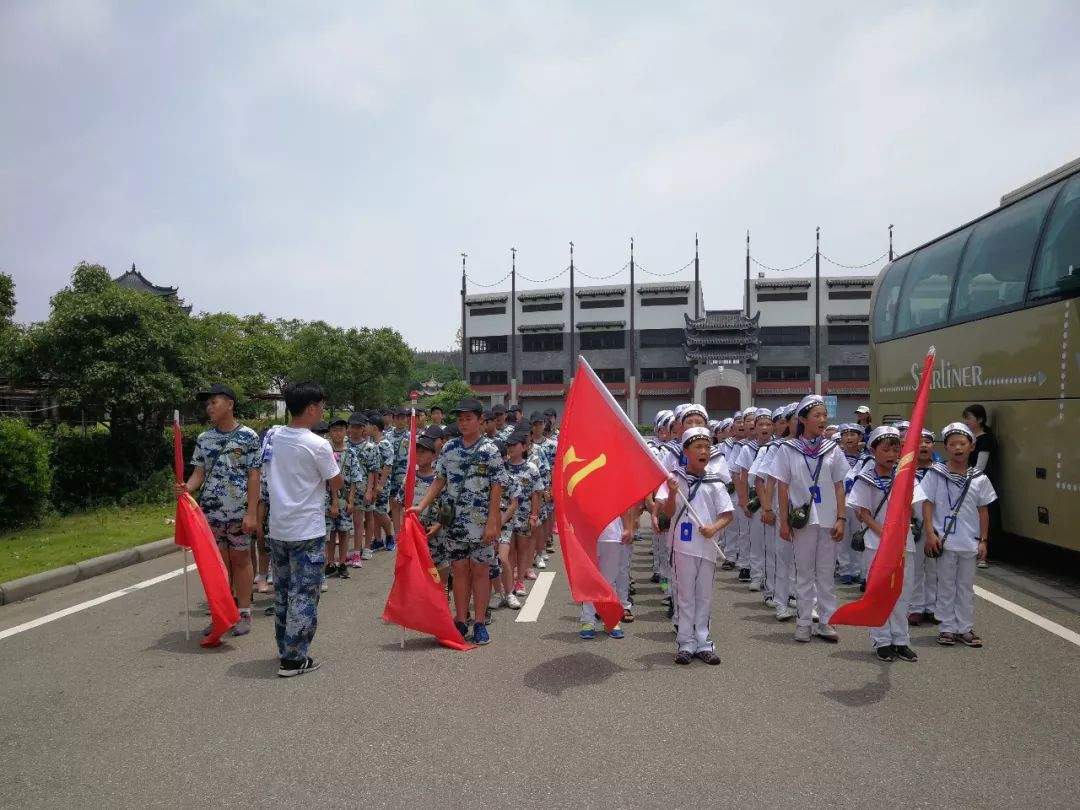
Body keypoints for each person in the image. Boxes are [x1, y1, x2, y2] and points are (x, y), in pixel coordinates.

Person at [251, 381, 342, 677]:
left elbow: (260, 470)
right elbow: (335, 480)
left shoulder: (273, 436)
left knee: (284, 592)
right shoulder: (318, 444)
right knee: (304, 593)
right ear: (313, 408)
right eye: (322, 406)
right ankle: (294, 658)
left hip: (278, 527)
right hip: (306, 529)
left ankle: (284, 647)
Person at [411, 397, 509, 646]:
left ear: (480, 420)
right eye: (460, 419)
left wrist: (493, 522)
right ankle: (461, 619)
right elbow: (439, 480)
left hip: (481, 524)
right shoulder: (449, 449)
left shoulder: (490, 450)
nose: (464, 423)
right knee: (459, 571)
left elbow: (498, 487)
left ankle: (479, 622)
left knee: (481, 571)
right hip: (455, 523)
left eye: (469, 418)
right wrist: (421, 506)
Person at [178, 383, 261, 637]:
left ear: (230, 404)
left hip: (238, 512)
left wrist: (251, 512)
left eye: (214, 402)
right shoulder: (205, 439)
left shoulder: (248, 436)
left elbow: (254, 476)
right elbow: (198, 474)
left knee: (241, 559)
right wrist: (186, 488)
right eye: (207, 403)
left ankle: (244, 613)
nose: (209, 407)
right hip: (211, 514)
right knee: (219, 565)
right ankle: (222, 613)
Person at [771, 394, 850, 643]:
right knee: (804, 572)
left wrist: (841, 518)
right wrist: (783, 522)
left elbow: (840, 486)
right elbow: (782, 487)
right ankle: (804, 622)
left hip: (828, 519)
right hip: (802, 520)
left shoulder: (833, 449)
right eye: (817, 415)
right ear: (803, 419)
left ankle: (827, 622)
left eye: (825, 415)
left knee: (826, 574)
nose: (823, 420)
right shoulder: (788, 449)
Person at [657, 426, 735, 665]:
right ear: (686, 451)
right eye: (698, 447)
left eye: (707, 447)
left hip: (708, 547)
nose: (704, 451)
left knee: (704, 596)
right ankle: (685, 642)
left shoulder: (715, 482)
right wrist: (671, 494)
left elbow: (727, 514)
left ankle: (704, 642)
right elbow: (667, 513)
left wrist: (714, 527)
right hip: (682, 545)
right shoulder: (674, 478)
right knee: (685, 596)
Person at [848, 426, 926, 663]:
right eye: (885, 449)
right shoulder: (866, 479)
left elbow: (917, 506)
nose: (891, 454)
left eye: (895, 448)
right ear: (873, 451)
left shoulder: (906, 477)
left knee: (902, 592)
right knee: (880, 592)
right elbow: (862, 512)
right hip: (877, 544)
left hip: (904, 544)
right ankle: (881, 640)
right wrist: (884, 535)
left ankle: (901, 640)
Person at [921, 422, 997, 648]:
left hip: (969, 542)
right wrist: (929, 533)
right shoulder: (936, 473)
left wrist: (983, 540)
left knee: (965, 586)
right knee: (945, 584)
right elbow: (927, 503)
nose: (958, 448)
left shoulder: (979, 478)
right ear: (946, 447)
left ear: (972, 447)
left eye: (962, 443)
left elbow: (984, 511)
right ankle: (946, 628)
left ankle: (964, 628)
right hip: (944, 540)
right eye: (952, 444)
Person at [578, 514, 632, 641]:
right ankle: (588, 620)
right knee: (590, 579)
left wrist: (628, 527)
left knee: (609, 581)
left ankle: (611, 621)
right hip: (589, 531)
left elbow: (622, 503)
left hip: (612, 535)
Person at [503, 430, 541, 608]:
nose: (511, 448)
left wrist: (534, 515)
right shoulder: (503, 467)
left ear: (524, 447)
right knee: (509, 549)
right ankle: (510, 584)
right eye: (509, 445)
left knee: (523, 548)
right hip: (507, 515)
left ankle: (520, 580)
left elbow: (536, 493)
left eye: (515, 445)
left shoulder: (531, 468)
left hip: (524, 513)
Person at [962, 403, 999, 569]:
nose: (966, 422)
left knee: (981, 517)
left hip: (978, 483)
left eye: (968, 418)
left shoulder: (985, 440)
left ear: (980, 419)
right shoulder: (970, 438)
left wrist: (965, 479)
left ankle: (983, 554)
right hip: (969, 479)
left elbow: (980, 466)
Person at [908, 428, 938, 625]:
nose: (924, 445)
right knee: (916, 568)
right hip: (915, 526)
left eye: (927, 441)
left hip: (937, 528)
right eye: (919, 442)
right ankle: (916, 606)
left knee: (935, 570)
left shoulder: (942, 471)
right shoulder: (905, 471)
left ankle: (933, 607)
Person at [323, 418, 354, 580]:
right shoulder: (325, 451)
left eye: (341, 430)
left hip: (345, 498)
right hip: (328, 498)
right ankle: (330, 562)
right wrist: (334, 501)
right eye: (334, 430)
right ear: (329, 433)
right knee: (329, 531)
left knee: (344, 531)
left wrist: (351, 501)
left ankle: (342, 562)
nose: (337, 433)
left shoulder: (351, 452)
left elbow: (355, 479)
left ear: (345, 432)